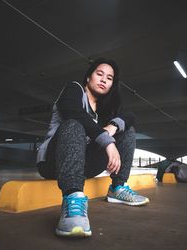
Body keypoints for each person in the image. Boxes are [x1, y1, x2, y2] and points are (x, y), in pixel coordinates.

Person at [36, 58, 149, 237]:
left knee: (127, 130)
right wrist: (107, 141)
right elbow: (72, 111)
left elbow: (130, 116)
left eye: (109, 78)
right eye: (99, 74)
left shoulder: (103, 111)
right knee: (74, 124)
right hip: (53, 163)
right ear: (89, 77)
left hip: (84, 165)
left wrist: (112, 126)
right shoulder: (74, 90)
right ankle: (73, 199)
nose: (104, 79)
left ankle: (117, 188)